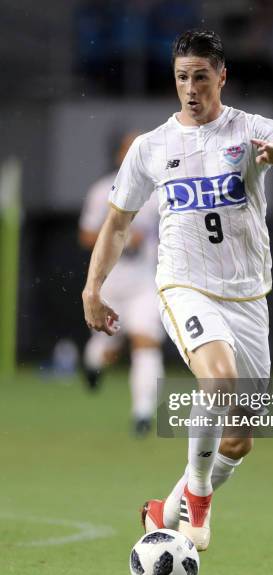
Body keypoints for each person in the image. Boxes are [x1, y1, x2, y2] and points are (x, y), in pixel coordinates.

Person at [82, 30, 273, 550]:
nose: (190, 88)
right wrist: (92, 287)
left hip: (247, 297)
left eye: (201, 77)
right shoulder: (152, 148)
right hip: (184, 285)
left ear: (222, 76)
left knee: (240, 439)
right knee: (217, 383)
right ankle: (197, 506)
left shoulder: (253, 129)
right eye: (181, 78)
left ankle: (165, 509)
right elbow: (116, 224)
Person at [79, 131, 163, 436]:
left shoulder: (159, 192)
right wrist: (124, 239)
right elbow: (87, 235)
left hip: (145, 284)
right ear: (119, 157)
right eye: (129, 151)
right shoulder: (102, 191)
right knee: (108, 348)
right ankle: (92, 363)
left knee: (145, 342)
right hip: (112, 285)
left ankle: (142, 413)